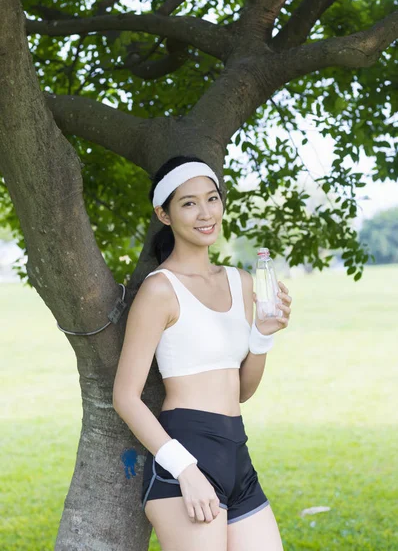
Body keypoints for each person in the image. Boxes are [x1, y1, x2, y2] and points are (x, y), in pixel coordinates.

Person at [113, 155, 292, 551]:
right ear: (164, 214)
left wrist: (261, 337)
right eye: (189, 203)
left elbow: (241, 391)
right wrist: (185, 469)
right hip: (184, 455)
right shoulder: (160, 290)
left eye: (212, 199)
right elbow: (124, 397)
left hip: (237, 454)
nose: (205, 213)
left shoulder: (241, 282)